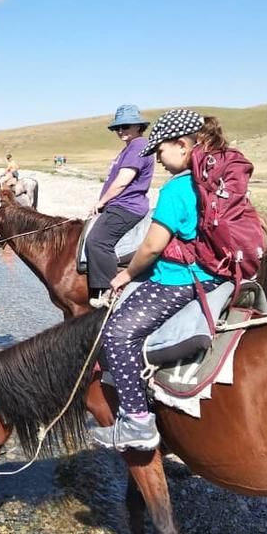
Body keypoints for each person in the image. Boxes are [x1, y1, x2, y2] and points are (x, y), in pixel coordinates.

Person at [89, 109, 229, 452]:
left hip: (182, 279)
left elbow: (151, 247)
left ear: (182, 145)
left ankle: (137, 421)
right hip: (216, 272)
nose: (160, 162)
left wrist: (124, 274)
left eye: (161, 152)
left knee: (117, 334)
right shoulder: (214, 181)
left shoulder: (176, 189)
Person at [86, 105, 155, 308]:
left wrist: (100, 202)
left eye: (125, 126)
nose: (121, 130)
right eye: (117, 127)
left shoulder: (138, 146)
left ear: (138, 126)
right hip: (121, 204)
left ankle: (108, 292)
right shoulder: (131, 147)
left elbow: (123, 180)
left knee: (97, 241)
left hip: (126, 206)